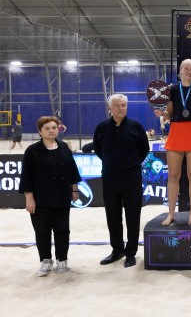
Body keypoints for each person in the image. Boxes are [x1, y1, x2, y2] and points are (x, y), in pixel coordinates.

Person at [19, 116, 81, 277]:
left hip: (62, 197)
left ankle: (62, 260)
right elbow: (26, 176)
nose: (51, 131)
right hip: (40, 199)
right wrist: (29, 198)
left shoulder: (64, 147)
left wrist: (74, 190)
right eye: (47, 128)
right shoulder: (32, 151)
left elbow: (72, 170)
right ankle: (45, 261)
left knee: (63, 231)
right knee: (42, 231)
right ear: (40, 131)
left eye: (54, 127)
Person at [93, 94, 150, 268]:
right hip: (110, 177)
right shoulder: (102, 127)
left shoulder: (135, 126)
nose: (121, 108)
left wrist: (131, 164)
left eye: (124, 105)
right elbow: (98, 149)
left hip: (132, 177)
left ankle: (130, 253)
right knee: (113, 215)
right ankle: (117, 250)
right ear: (110, 108)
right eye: (117, 105)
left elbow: (144, 149)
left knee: (133, 216)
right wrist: (111, 164)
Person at [154, 59, 191, 226]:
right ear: (180, 70)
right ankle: (171, 214)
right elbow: (169, 115)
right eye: (186, 68)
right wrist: (161, 113)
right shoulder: (172, 89)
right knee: (173, 176)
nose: (189, 72)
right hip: (176, 133)